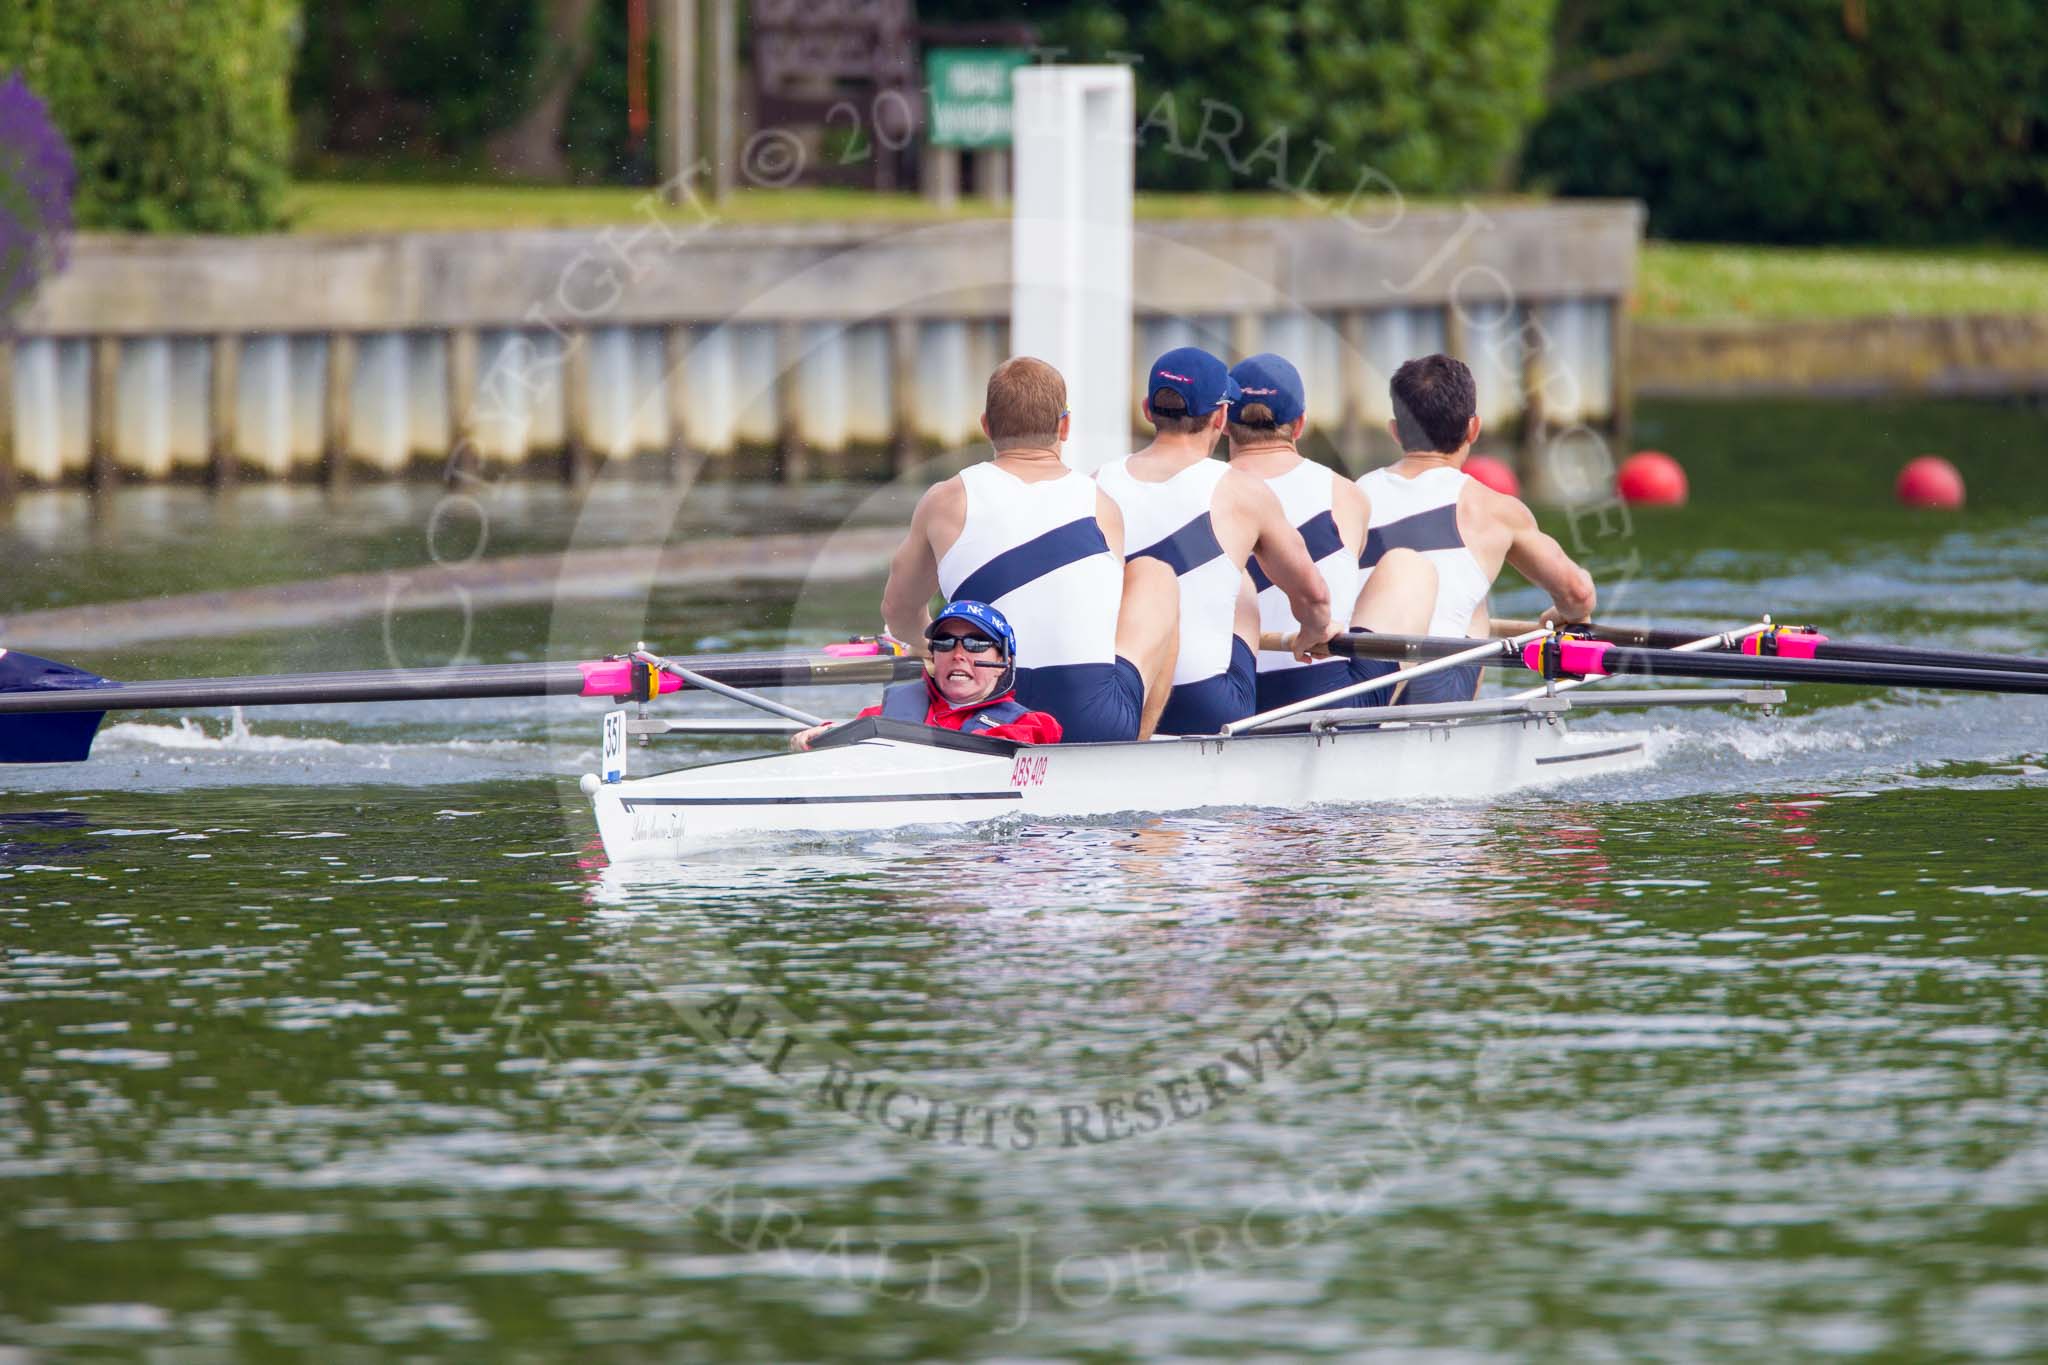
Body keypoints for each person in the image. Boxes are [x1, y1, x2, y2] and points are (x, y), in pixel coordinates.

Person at [880, 357, 1179, 742]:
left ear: (986, 425)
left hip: (983, 708)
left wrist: (940, 651)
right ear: (1065, 426)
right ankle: (1136, 748)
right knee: (1157, 574)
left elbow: (898, 612)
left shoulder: (945, 500)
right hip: (1089, 716)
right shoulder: (1101, 504)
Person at [1096, 346, 1337, 734]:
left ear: (1146, 409)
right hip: (1203, 704)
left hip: (1121, 695)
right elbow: (1314, 596)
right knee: (1241, 581)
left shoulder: (1096, 482)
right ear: (1222, 417)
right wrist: (1314, 632)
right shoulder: (1241, 490)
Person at [1355, 354, 1598, 703]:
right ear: (1474, 428)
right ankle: (1461, 725)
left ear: (1395, 430)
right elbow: (1577, 593)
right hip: (1431, 694)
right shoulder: (1493, 509)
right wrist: (1565, 615)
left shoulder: (1352, 494)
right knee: (1474, 595)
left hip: (1360, 682)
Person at [1223, 352, 1437, 713]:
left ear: (1224, 423)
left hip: (1227, 698)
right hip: (1323, 696)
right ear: (1301, 423)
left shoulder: (1203, 490)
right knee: (1410, 567)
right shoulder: (1345, 495)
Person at [790, 600, 1061, 750]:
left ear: (1003, 660)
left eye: (975, 644)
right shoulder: (883, 713)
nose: (958, 654)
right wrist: (819, 737)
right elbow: (847, 735)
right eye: (945, 643)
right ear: (933, 655)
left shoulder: (1033, 725)